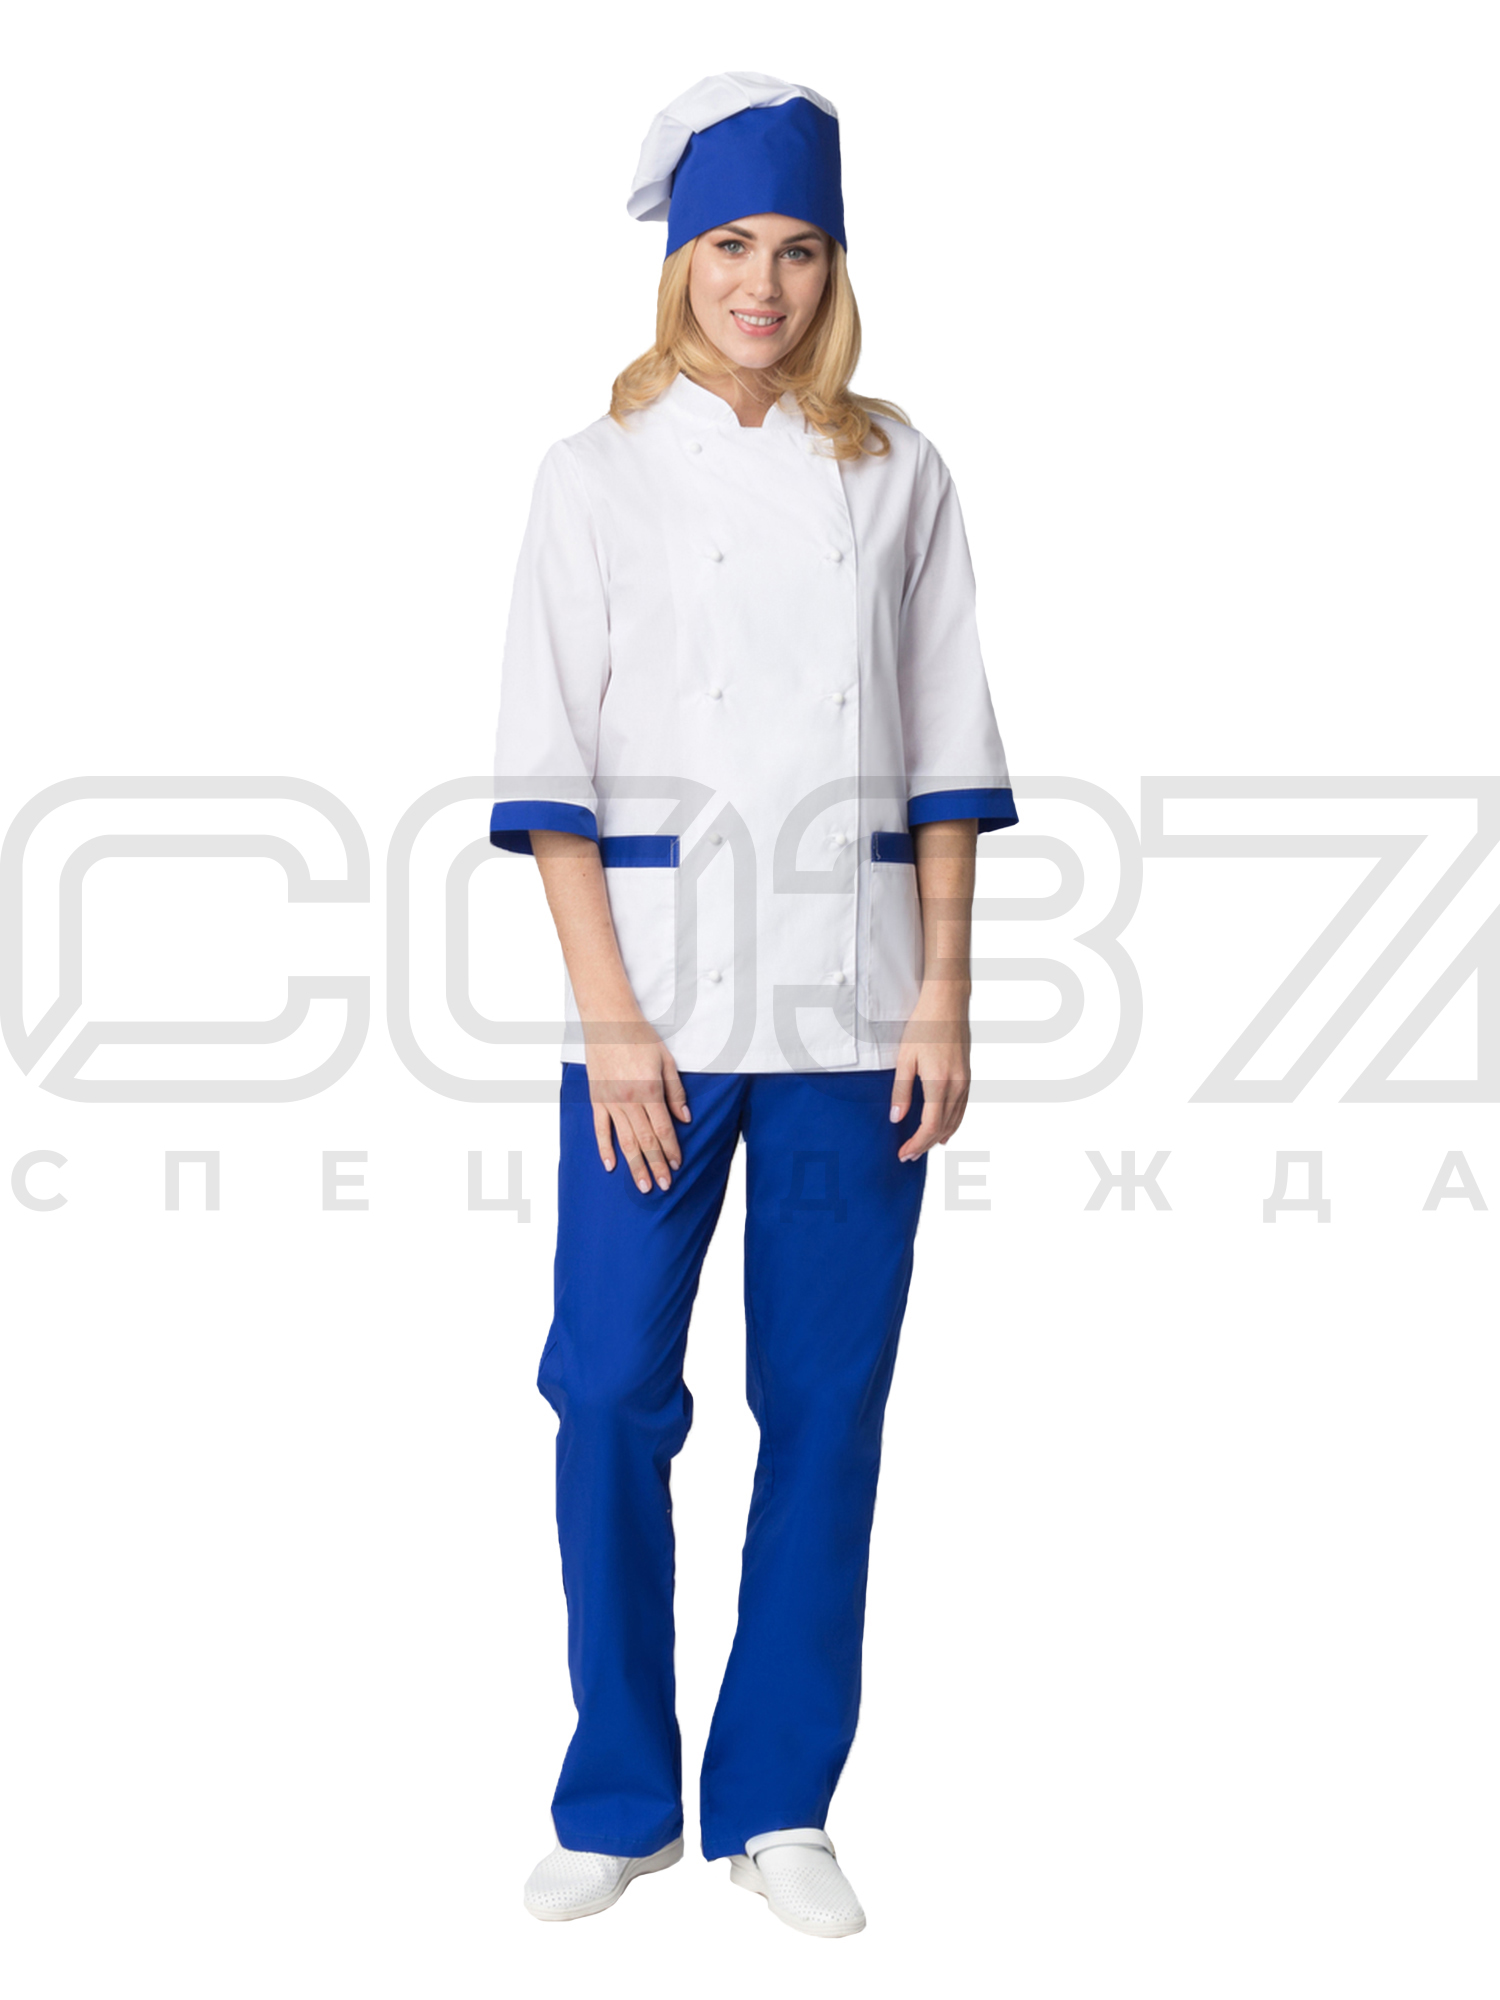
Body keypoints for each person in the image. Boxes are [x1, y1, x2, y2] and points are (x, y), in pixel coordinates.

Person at [488, 71, 1017, 1937]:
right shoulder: (593, 478)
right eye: (731, 246)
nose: (763, 286)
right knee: (606, 1388)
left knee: (829, 1400)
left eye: (799, 250)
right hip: (651, 1011)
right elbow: (550, 780)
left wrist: (942, 1001)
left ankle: (779, 1797)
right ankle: (621, 1794)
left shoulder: (901, 472)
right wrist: (611, 1025)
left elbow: (945, 759)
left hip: (855, 1015)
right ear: (680, 262)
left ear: (835, 268)